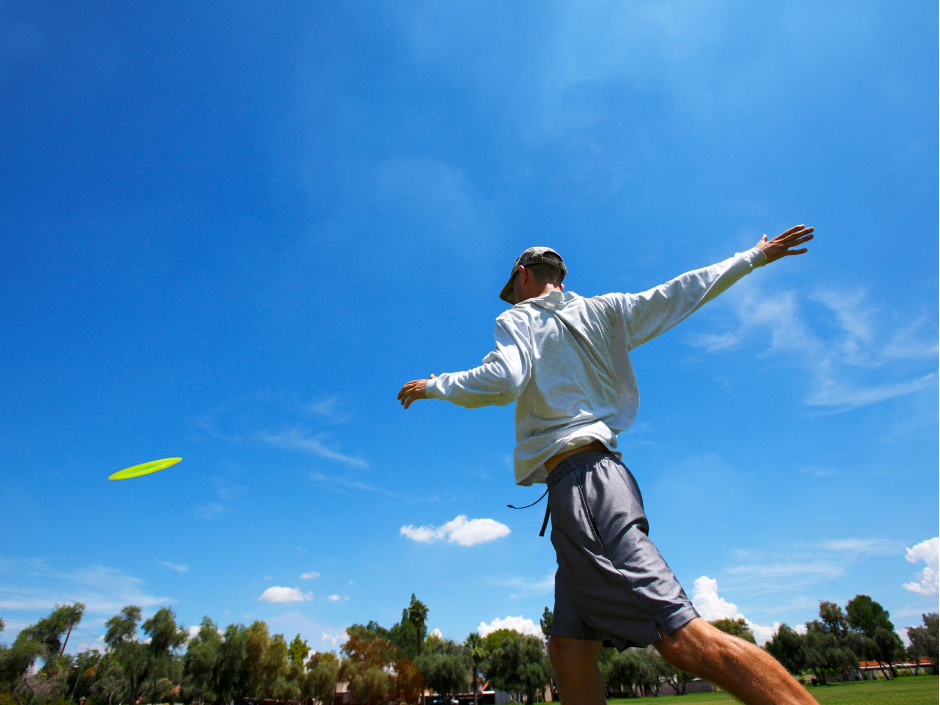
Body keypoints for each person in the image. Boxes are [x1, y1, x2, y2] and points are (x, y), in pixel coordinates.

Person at [398, 225, 818, 705]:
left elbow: (504, 379)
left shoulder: (519, 319)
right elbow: (679, 292)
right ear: (562, 275)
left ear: (521, 277)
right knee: (570, 649)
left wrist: (437, 385)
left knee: (680, 635)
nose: (513, 297)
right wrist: (752, 257)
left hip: (583, 487)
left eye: (513, 289)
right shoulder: (607, 310)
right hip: (601, 478)